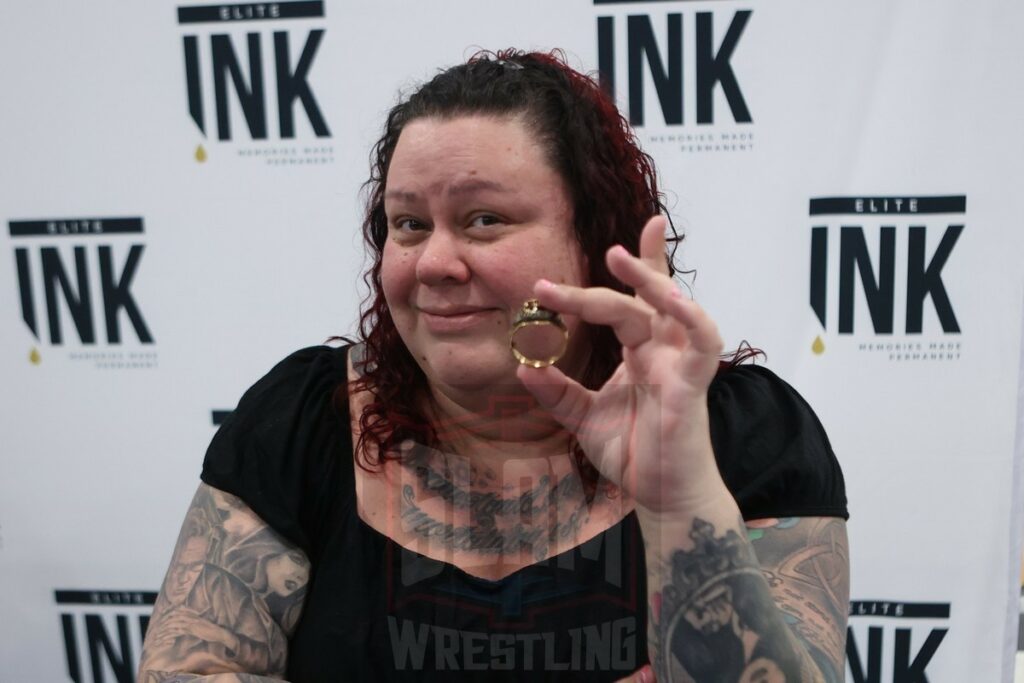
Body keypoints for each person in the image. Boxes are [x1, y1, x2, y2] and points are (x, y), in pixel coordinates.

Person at [138, 49, 849, 682]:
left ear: (596, 238)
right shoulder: (303, 421)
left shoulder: (743, 434)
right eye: (409, 224)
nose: (436, 264)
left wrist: (680, 496)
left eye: (485, 220)